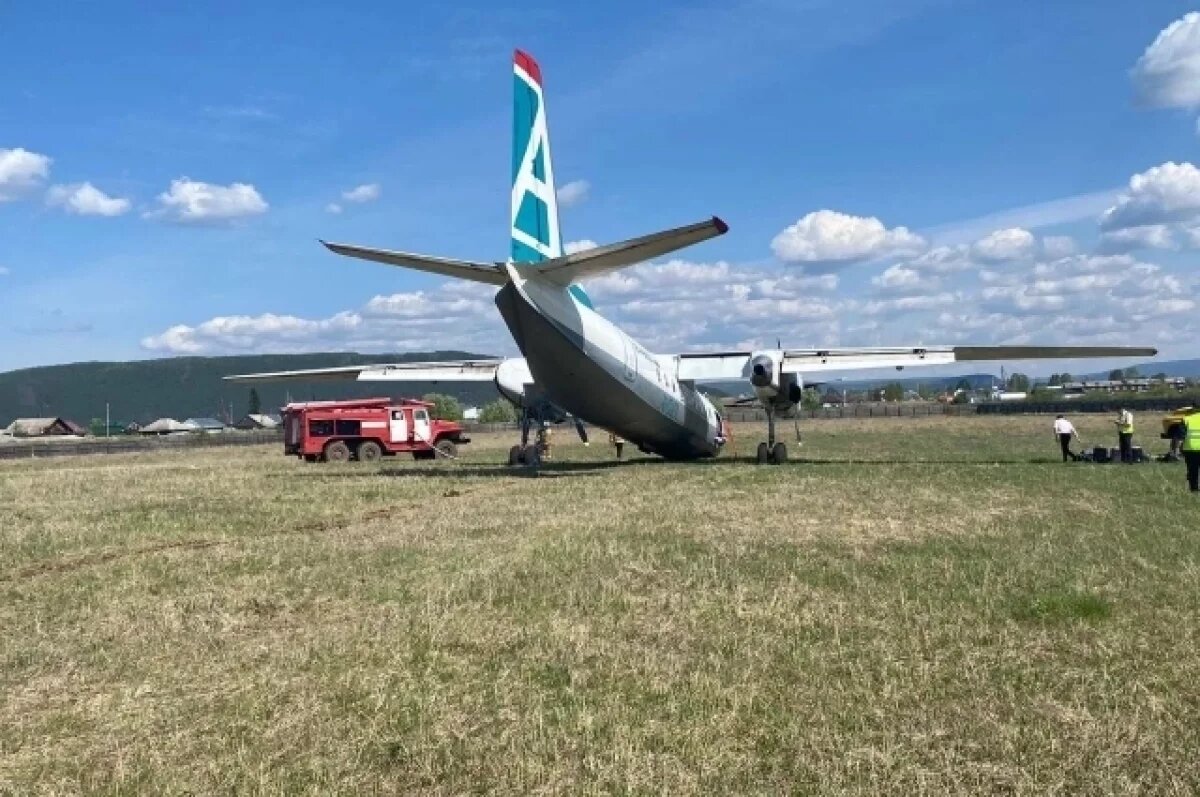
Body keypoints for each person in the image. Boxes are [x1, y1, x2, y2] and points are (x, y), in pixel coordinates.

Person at [1181, 408, 1200, 493]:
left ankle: (1194, 488)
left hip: (1190, 449)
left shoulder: (1186, 419)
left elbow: (1180, 435)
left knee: (1192, 470)